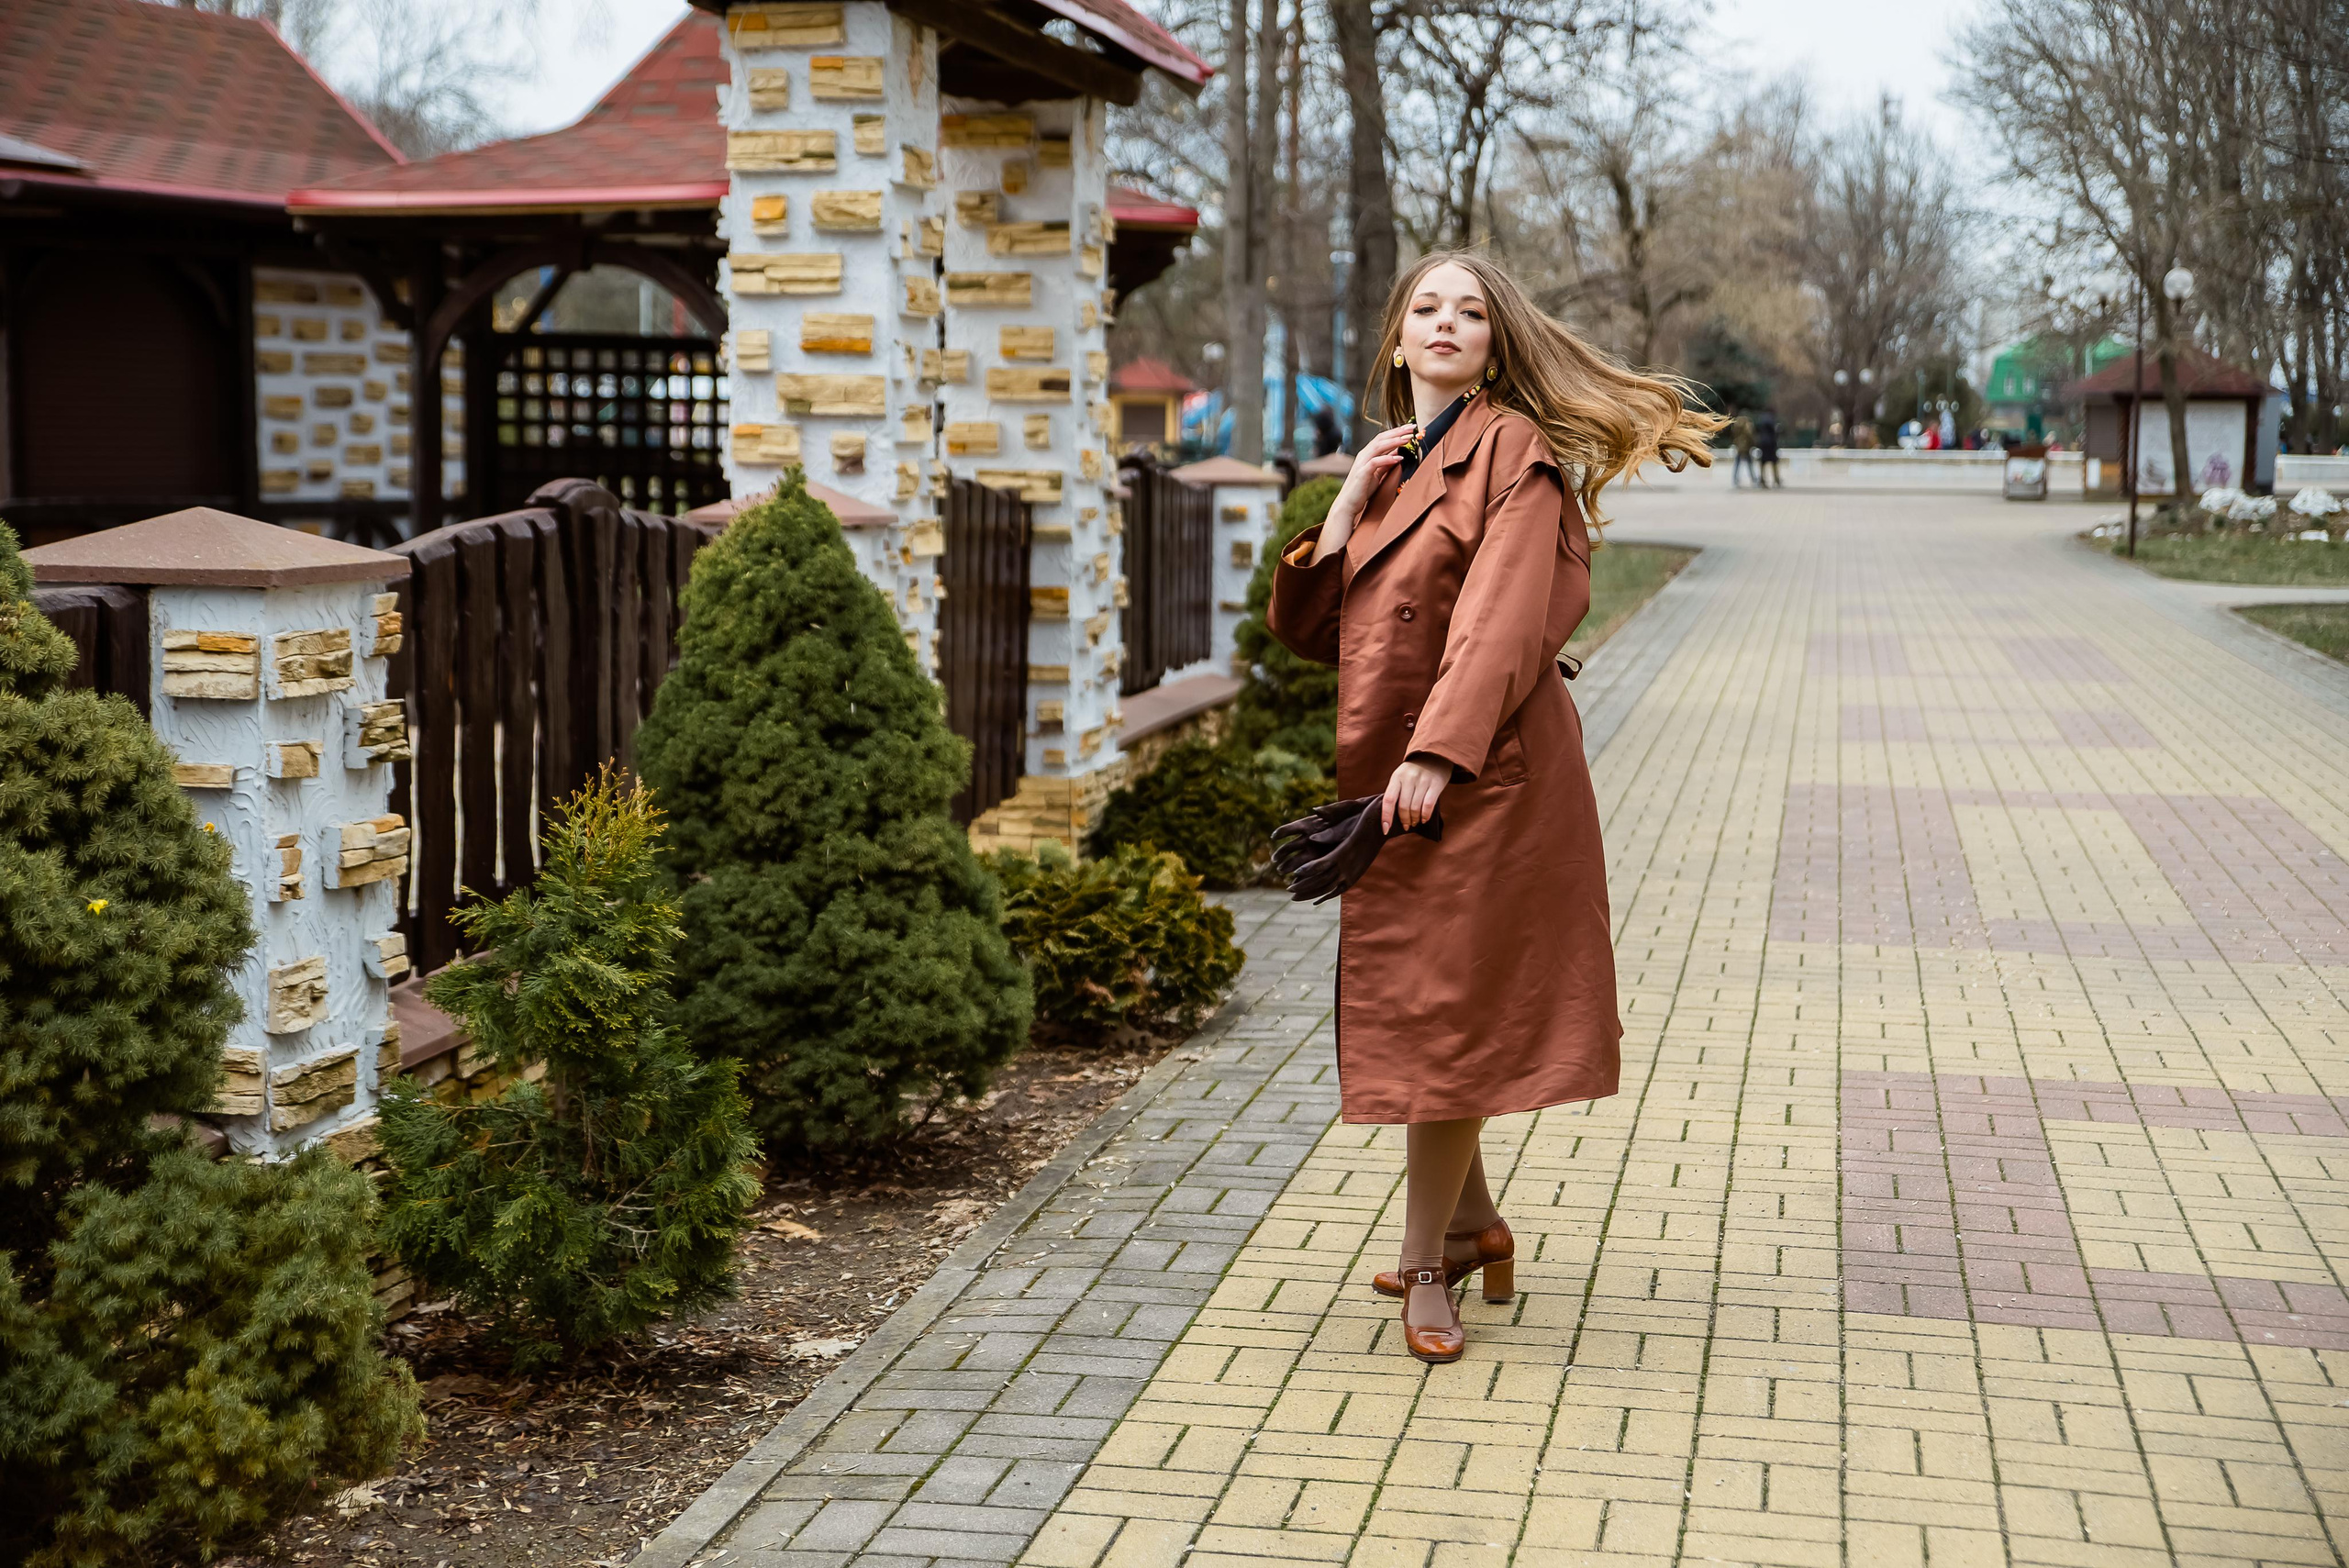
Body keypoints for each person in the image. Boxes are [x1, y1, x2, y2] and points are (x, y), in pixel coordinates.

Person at [1265, 252, 1720, 1364]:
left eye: (1469, 311)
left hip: (1482, 776)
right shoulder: (1403, 459)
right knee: (1435, 1004)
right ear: (1395, 336)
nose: (1445, 323)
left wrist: (1438, 752)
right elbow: (1314, 633)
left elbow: (1506, 621)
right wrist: (1343, 512)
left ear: (1494, 339)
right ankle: (1471, 1224)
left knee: (1441, 1010)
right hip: (1412, 773)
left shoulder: (1510, 450)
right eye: (1424, 306)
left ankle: (1428, 1263)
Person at [1753, 408, 1782, 487]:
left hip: (1763, 444)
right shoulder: (1772, 422)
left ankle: (1762, 480)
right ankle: (1777, 479)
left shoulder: (1762, 421)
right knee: (1774, 463)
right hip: (1771, 445)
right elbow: (1775, 433)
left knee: (1763, 463)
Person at [1730, 410, 1757, 487]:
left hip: (1739, 445)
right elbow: (1750, 435)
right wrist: (1753, 443)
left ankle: (1735, 478)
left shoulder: (1736, 423)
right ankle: (1754, 478)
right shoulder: (1747, 424)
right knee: (1749, 463)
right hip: (1746, 446)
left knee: (1737, 463)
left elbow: (1733, 434)